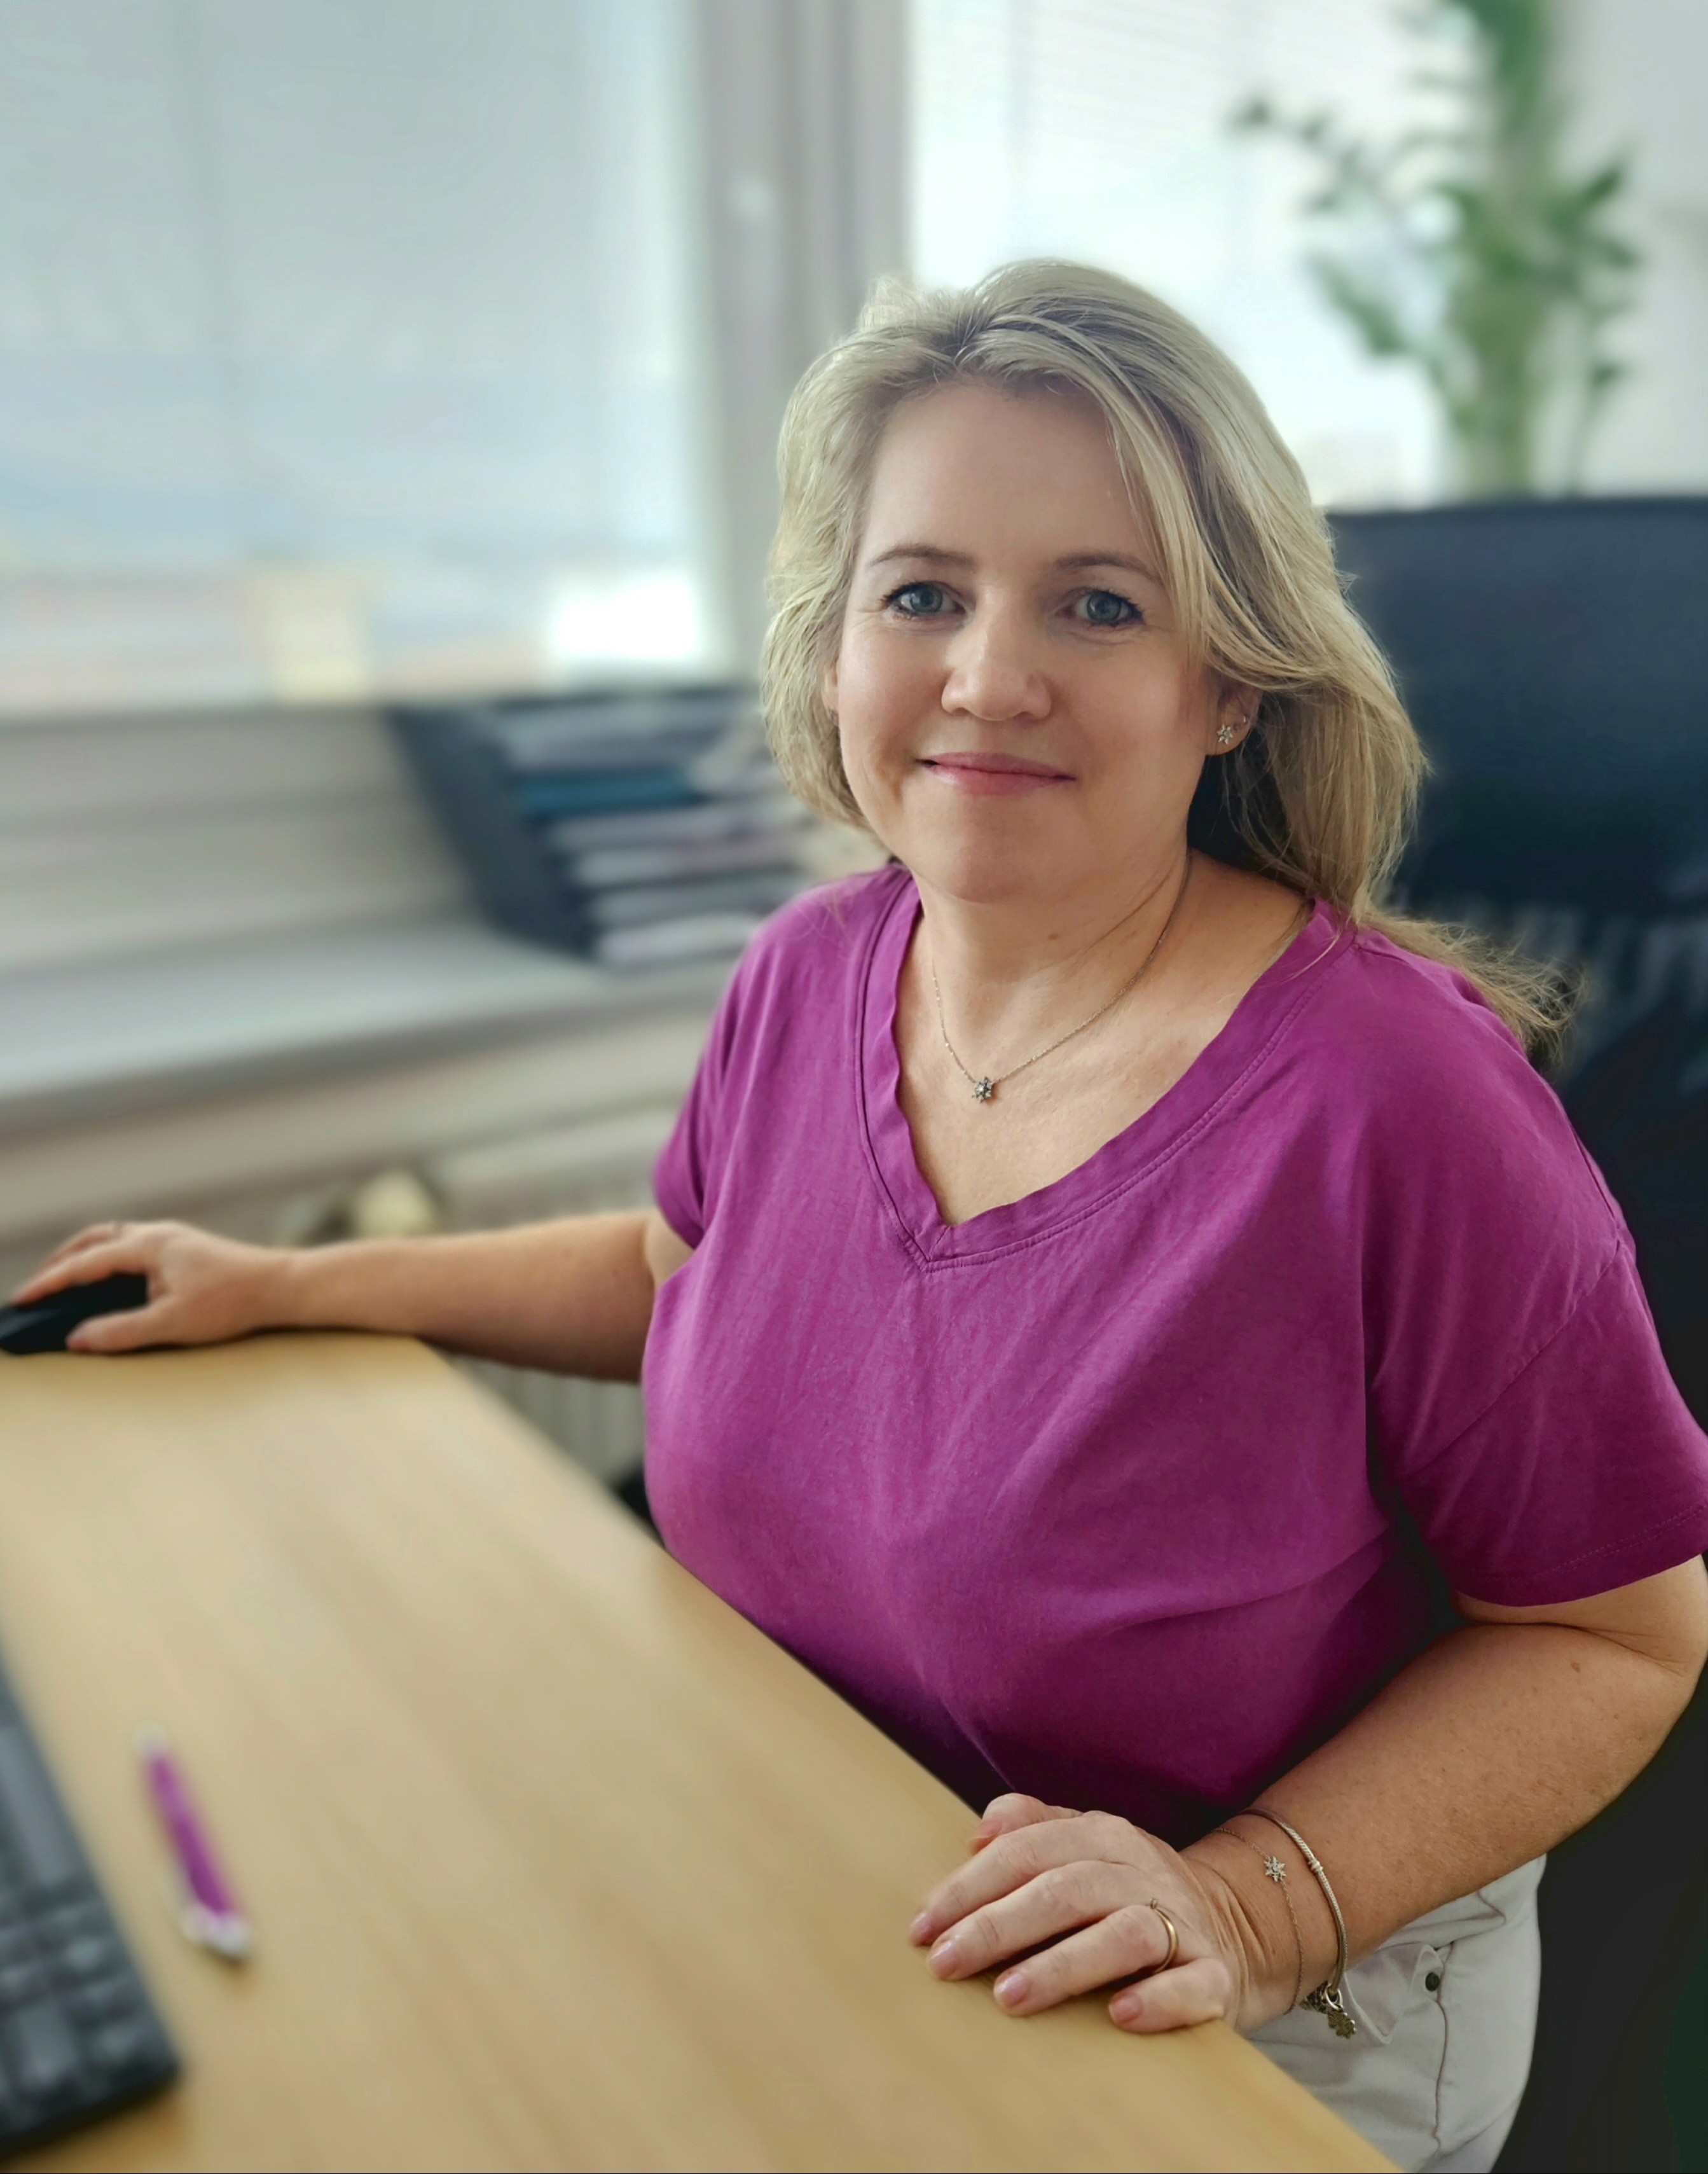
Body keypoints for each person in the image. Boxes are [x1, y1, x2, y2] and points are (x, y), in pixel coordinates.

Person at [18, 263, 1708, 2173]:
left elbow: (1611, 1634)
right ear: (837, 645)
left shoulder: (1400, 1102)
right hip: (841, 1867)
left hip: (1236, 2006)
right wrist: (293, 1284)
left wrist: (1244, 1902)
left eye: (1098, 601)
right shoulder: (819, 965)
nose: (990, 673)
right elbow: (684, 1267)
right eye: (925, 594)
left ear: (1227, 678)